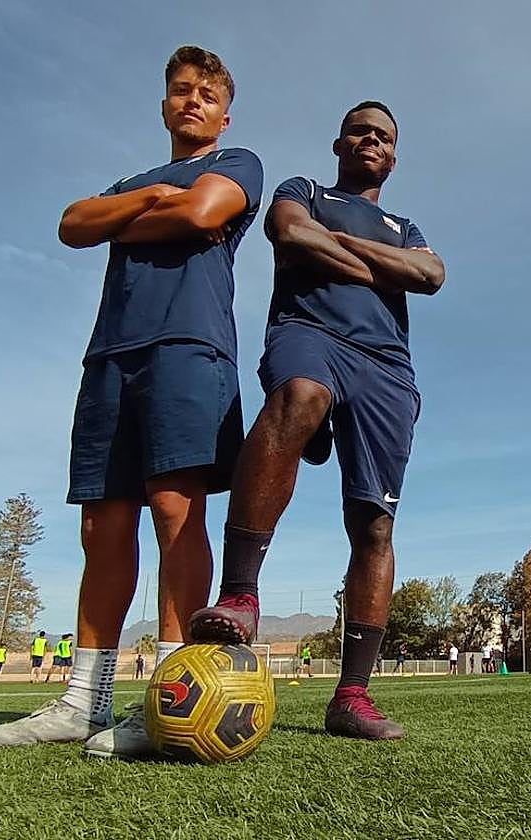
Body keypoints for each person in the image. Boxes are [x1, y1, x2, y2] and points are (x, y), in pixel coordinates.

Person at [0, 46, 263, 757]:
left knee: (173, 509)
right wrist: (145, 200)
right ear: (164, 103)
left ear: (225, 112)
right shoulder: (134, 180)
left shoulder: (240, 163)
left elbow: (200, 215)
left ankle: (166, 699)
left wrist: (130, 217)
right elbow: (72, 223)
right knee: (102, 527)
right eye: (180, 90)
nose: (191, 100)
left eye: (205, 94)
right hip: (110, 357)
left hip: (188, 349)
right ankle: (82, 702)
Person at [189, 101, 444, 743]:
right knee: (300, 393)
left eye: (383, 136)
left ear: (393, 155)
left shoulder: (405, 223)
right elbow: (290, 233)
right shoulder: (305, 189)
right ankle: (241, 594)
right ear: (339, 142)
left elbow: (431, 273)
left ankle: (352, 697)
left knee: (375, 523)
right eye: (360, 130)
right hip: (311, 331)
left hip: (386, 367)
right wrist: (381, 267)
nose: (371, 140)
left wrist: (348, 250)